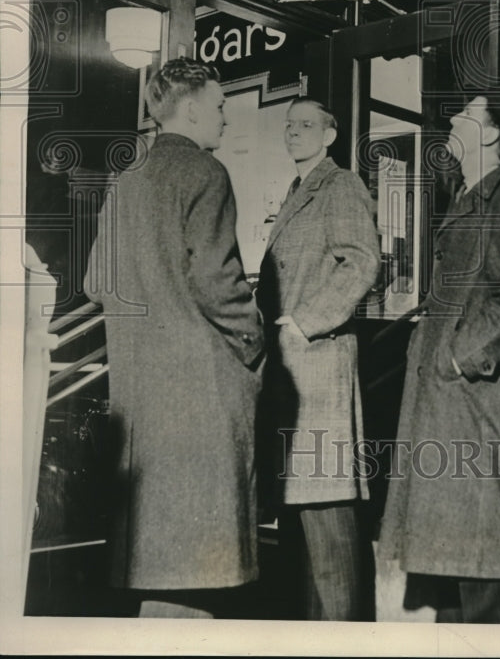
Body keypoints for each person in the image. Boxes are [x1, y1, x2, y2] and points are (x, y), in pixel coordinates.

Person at [84, 58, 264, 619]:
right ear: (190, 109)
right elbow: (218, 284)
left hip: (142, 401)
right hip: (200, 397)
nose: (224, 119)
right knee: (199, 571)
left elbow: (95, 281)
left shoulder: (129, 180)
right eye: (218, 106)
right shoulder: (205, 174)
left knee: (163, 568)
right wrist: (254, 344)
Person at [378, 94, 500, 624]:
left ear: (493, 135)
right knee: (456, 571)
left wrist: (459, 356)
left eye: (467, 114)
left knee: (484, 565)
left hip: (473, 408)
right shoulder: (470, 198)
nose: (452, 120)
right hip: (453, 409)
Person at [257, 97, 380, 621]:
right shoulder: (297, 191)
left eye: (307, 125)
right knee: (302, 523)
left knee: (327, 519)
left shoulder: (341, 184)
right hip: (294, 371)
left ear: (330, 135)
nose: (294, 133)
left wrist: (304, 321)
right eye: (289, 126)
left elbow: (362, 262)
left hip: (318, 363)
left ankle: (348, 638)